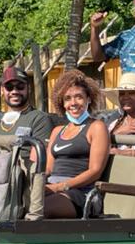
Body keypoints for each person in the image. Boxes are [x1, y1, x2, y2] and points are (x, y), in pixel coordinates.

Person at [44, 68, 110, 218]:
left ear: (88, 99)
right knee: (18, 202)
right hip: (53, 187)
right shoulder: (57, 131)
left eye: (78, 97)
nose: (73, 103)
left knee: (39, 208)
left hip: (82, 192)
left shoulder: (96, 127)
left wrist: (60, 187)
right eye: (67, 98)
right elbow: (48, 168)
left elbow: (95, 171)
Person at [0, 64, 54, 156]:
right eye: (9, 87)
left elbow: (38, 162)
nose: (14, 91)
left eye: (20, 86)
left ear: (28, 89)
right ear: (2, 90)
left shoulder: (39, 119)